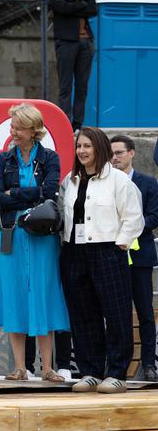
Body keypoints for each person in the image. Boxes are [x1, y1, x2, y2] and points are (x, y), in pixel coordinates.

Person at [0, 103, 69, 382]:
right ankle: (20, 367)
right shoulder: (4, 160)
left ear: (34, 130)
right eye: (12, 127)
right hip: (10, 232)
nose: (13, 132)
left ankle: (47, 368)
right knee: (14, 296)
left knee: (42, 295)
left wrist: (15, 192)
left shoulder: (50, 158)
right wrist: (27, 194)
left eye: (18, 127)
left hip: (41, 236)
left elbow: (49, 190)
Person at [58, 128, 143, 394]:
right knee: (83, 314)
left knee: (116, 313)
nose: (81, 151)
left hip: (108, 251)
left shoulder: (118, 180)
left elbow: (133, 216)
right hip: (74, 252)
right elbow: (62, 214)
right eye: (78, 146)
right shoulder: (69, 181)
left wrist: (122, 242)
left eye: (87, 146)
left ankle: (117, 372)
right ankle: (91, 370)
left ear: (100, 148)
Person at [111, 134, 158, 381]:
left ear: (131, 153)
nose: (115, 158)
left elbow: (154, 216)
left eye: (119, 153)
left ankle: (149, 364)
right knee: (116, 313)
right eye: (111, 154)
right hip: (112, 257)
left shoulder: (148, 183)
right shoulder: (105, 183)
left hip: (139, 256)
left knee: (145, 313)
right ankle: (118, 364)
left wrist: (128, 228)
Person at [49, 0, 97, 131]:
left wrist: (74, 8)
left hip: (86, 41)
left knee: (82, 86)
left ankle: (77, 123)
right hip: (66, 41)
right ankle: (65, 122)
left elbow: (93, 9)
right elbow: (61, 8)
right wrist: (82, 5)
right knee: (66, 85)